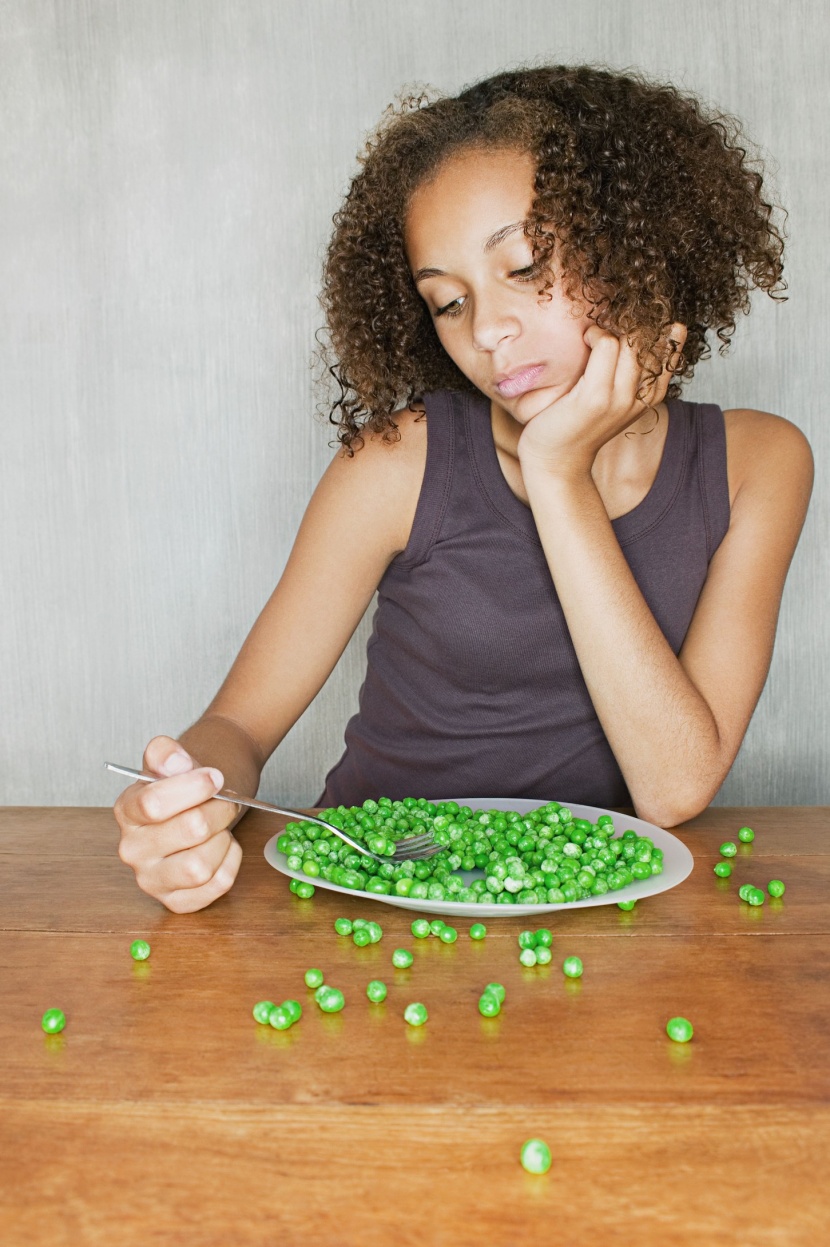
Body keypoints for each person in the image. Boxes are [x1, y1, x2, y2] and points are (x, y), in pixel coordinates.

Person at [114, 64, 813, 912]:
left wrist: (559, 476)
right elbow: (240, 725)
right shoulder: (398, 461)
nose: (486, 331)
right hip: (370, 899)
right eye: (447, 303)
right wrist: (188, 803)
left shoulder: (760, 463)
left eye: (524, 266)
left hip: (600, 929)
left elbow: (674, 787)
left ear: (639, 244)